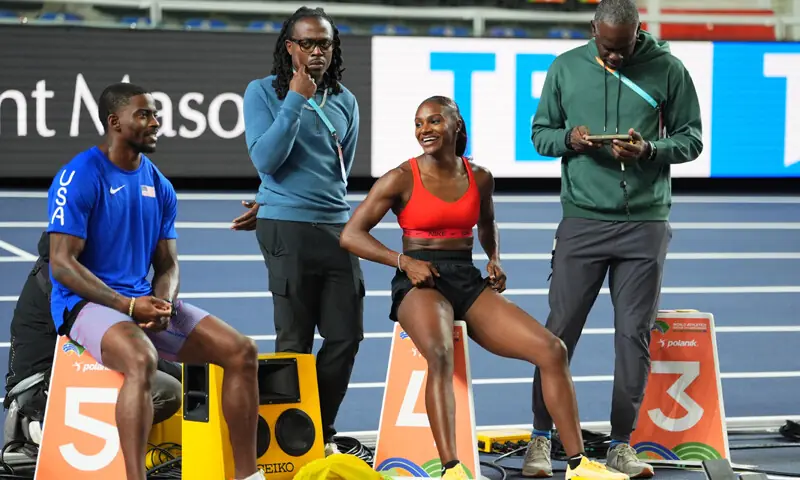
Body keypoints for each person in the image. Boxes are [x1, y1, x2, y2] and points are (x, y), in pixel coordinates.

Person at [339, 95, 628, 480]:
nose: (425, 130)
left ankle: (580, 465)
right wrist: (403, 262)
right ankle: (451, 468)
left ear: (457, 126)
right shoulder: (400, 177)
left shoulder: (481, 176)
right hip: (419, 280)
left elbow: (487, 224)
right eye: (419, 123)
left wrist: (494, 257)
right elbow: (351, 235)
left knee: (552, 350)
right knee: (440, 353)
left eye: (435, 121)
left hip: (466, 279)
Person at [45, 82, 264, 480]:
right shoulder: (79, 175)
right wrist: (127, 307)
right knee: (141, 359)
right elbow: (62, 265)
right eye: (144, 115)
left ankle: (247, 476)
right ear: (115, 122)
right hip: (86, 306)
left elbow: (168, 263)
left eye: (155, 114)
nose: (156, 123)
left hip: (142, 300)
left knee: (242, 352)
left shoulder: (159, 185)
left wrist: (162, 303)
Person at [524, 0, 703, 477]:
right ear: (593, 32)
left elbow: (691, 139)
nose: (617, 55)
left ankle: (622, 444)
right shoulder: (565, 68)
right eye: (608, 47)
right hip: (582, 220)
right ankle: (542, 440)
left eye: (624, 47)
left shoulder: (668, 68)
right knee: (556, 336)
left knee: (633, 338)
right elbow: (540, 134)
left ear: (638, 32)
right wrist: (569, 140)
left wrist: (649, 149)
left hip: (644, 222)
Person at [242, 6, 363, 455]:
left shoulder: (347, 101)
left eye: (324, 44)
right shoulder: (262, 92)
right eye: (307, 43)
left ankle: (319, 428)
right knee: (294, 340)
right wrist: (295, 97)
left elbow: (339, 170)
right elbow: (266, 161)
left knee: (346, 336)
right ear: (289, 46)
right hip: (285, 229)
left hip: (336, 226)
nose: (316, 52)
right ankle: (292, 442)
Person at [3, 231, 183, 457]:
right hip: (40, 387)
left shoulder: (95, 267)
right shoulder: (68, 276)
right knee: (165, 391)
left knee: (183, 379)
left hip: (76, 365)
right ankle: (49, 432)